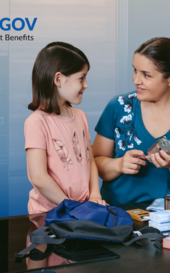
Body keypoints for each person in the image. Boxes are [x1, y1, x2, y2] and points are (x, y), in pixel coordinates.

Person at [93, 37, 170, 205]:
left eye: (146, 75)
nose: (136, 80)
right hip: (118, 217)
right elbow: (94, 164)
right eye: (135, 70)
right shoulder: (118, 107)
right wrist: (119, 164)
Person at [24, 42, 106, 215]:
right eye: (81, 78)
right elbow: (39, 177)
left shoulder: (80, 116)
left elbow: (90, 162)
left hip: (82, 210)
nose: (86, 85)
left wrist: (95, 196)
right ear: (59, 79)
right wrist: (70, 206)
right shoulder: (36, 122)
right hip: (48, 214)